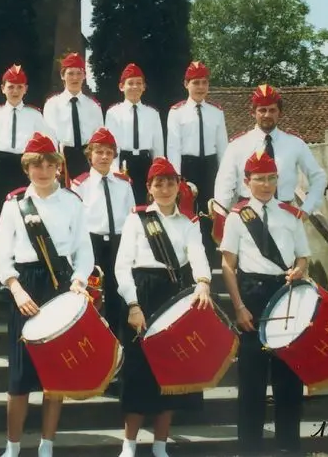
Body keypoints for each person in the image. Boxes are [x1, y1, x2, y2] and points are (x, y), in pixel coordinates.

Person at [0, 132, 94, 457]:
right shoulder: (14, 204)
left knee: (56, 374)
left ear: (58, 167)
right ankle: (12, 447)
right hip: (25, 287)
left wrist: (79, 281)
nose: (44, 171)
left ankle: (46, 445)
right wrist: (15, 288)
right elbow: (1, 254)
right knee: (19, 376)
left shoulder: (72, 202)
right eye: (37, 165)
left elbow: (84, 250)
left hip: (61, 286)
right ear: (27, 168)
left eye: (50, 165)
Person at [114, 157, 213, 457]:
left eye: (171, 183)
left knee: (171, 374)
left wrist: (203, 282)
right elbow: (122, 266)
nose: (166, 189)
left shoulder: (188, 223)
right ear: (150, 188)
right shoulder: (137, 219)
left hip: (174, 296)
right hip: (142, 295)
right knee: (138, 372)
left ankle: (160, 445)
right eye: (159, 184)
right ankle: (129, 445)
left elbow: (197, 254)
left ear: (179, 187)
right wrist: (132, 304)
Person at [219, 150, 309, 455]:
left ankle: (289, 446)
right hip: (252, 295)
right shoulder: (237, 216)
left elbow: (303, 256)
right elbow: (228, 265)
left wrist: (299, 269)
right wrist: (238, 306)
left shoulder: (290, 214)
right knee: (252, 380)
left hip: (285, 293)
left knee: (289, 376)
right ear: (247, 181)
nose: (266, 184)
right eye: (259, 179)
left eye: (271, 178)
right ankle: (250, 448)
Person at [214, 84, 328, 215]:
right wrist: (221, 215)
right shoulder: (237, 145)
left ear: (280, 112)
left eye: (272, 110)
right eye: (262, 110)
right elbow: (224, 184)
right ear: (253, 113)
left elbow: (318, 177)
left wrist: (306, 210)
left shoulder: (295, 144)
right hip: (249, 217)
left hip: (285, 215)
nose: (267, 115)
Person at [70, 127, 134, 335]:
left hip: (119, 243)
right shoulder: (80, 184)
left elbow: (132, 215)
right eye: (99, 152)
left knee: (119, 292)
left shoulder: (124, 183)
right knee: (93, 293)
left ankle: (119, 337)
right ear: (90, 155)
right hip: (92, 244)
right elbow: (75, 220)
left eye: (109, 152)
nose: (104, 157)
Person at [166, 61, 228, 260]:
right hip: (187, 167)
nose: (201, 87)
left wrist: (225, 176)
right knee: (186, 215)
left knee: (210, 214)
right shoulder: (177, 112)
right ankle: (186, 262)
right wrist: (177, 179)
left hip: (210, 168)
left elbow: (222, 147)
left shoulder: (216, 112)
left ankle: (208, 262)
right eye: (196, 83)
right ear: (186, 84)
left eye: (204, 82)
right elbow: (173, 147)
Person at [0, 64, 55, 230]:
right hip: (1, 164)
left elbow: (48, 144)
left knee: (27, 205)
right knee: (1, 206)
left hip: (26, 164)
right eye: (10, 87)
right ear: (3, 88)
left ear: (25, 89)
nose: (15, 91)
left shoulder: (35, 115)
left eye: (19, 87)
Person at [104, 63, 164, 205]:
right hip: (124, 162)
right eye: (130, 83)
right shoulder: (113, 113)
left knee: (147, 204)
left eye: (139, 83)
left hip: (145, 163)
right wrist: (114, 170)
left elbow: (158, 146)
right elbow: (112, 145)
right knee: (124, 203)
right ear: (121, 87)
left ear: (144, 87)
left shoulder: (152, 113)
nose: (135, 87)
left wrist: (159, 169)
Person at [42, 52, 102, 182]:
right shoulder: (52, 104)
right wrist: (55, 162)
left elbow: (99, 136)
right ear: (62, 76)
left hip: (87, 157)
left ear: (84, 76)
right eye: (70, 73)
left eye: (79, 73)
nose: (75, 78)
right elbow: (49, 136)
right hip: (63, 157)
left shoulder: (93, 106)